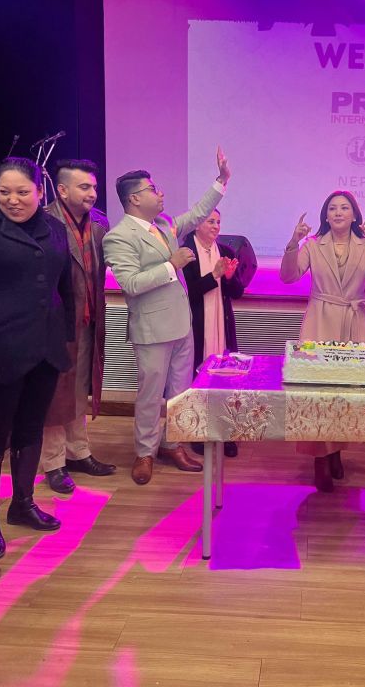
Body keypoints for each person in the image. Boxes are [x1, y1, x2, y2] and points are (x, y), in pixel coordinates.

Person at [103, 148, 230, 485]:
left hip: (181, 324)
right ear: (134, 199)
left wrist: (221, 180)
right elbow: (131, 284)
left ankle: (173, 444)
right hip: (152, 328)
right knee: (150, 395)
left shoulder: (165, 224)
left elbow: (199, 212)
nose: (160, 193)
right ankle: (144, 453)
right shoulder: (118, 237)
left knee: (180, 392)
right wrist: (171, 265)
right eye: (152, 189)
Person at [280, 190, 365, 492]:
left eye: (344, 208)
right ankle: (319, 458)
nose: (338, 212)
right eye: (332, 208)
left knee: (345, 392)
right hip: (320, 320)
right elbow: (288, 276)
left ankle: (336, 450)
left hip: (354, 323)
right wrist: (293, 243)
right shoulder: (312, 245)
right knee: (317, 393)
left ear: (354, 215)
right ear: (325, 216)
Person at [0, 157, 75, 559]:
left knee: (30, 429)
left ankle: (22, 504)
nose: (12, 199)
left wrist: (68, 338)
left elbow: (66, 287)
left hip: (45, 348)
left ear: (39, 192)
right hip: (3, 350)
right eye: (3, 192)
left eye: (22, 191)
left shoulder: (56, 229)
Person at [40, 160, 116, 493]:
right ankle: (53, 462)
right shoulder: (43, 221)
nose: (92, 193)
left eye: (94, 187)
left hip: (88, 319)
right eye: (84, 187)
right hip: (55, 323)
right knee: (55, 394)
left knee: (79, 387)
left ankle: (78, 451)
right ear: (62, 190)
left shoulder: (99, 222)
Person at [183, 208, 244, 458]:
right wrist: (214, 275)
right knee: (196, 379)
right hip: (196, 327)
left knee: (225, 378)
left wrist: (228, 278)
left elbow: (237, 292)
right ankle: (198, 432)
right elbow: (189, 292)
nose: (216, 226)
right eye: (210, 221)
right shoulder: (186, 252)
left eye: (218, 222)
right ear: (197, 224)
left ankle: (225, 432)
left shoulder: (226, 251)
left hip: (222, 325)